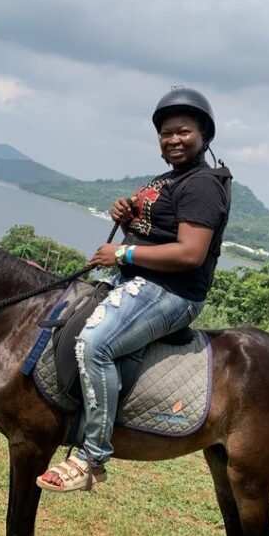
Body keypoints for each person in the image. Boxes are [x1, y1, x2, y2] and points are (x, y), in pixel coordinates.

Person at [36, 87, 231, 493]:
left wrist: (122, 252)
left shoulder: (202, 184)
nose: (173, 139)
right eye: (166, 133)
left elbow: (190, 253)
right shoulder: (170, 179)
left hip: (172, 290)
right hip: (138, 279)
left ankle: (91, 457)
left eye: (183, 132)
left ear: (204, 136)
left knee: (95, 345)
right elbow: (156, 232)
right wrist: (126, 217)